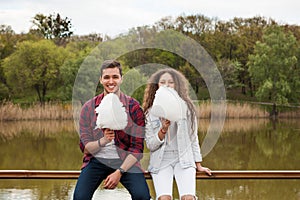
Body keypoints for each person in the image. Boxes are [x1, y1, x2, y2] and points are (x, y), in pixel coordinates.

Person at [73, 60, 151, 200]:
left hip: (125, 160)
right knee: (80, 197)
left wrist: (119, 172)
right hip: (96, 160)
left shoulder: (133, 108)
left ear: (121, 79)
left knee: (142, 196)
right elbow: (85, 148)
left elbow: (137, 149)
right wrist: (103, 141)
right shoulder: (89, 108)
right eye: (106, 77)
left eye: (115, 77)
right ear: (101, 80)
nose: (111, 81)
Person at [142, 68, 211, 200]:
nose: (166, 85)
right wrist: (163, 129)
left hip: (183, 159)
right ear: (157, 86)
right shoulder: (150, 113)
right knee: (164, 198)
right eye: (162, 82)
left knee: (188, 198)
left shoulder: (188, 108)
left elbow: (193, 138)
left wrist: (198, 164)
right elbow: (151, 145)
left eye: (171, 82)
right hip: (161, 161)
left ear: (177, 85)